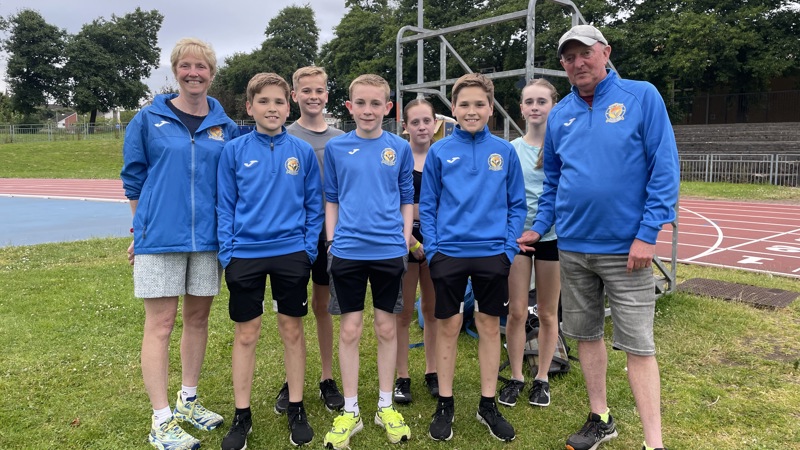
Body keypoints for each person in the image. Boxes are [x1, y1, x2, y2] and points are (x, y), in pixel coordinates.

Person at [519, 25, 678, 450]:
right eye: (569, 58)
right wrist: (540, 224)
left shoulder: (641, 96)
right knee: (586, 336)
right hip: (573, 248)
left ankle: (653, 443)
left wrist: (647, 235)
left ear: (605, 52)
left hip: (628, 251)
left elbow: (664, 168)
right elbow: (553, 181)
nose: (577, 63)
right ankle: (601, 417)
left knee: (638, 346)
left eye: (585, 54)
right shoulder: (561, 114)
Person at [120, 37, 239, 450]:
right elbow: (134, 178)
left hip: (207, 240)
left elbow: (233, 182)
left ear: (211, 73)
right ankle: (160, 419)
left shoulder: (227, 126)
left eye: (202, 66)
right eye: (186, 65)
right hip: (160, 238)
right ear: (175, 71)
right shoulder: (148, 118)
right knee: (160, 325)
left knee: (199, 320)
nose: (194, 72)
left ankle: (188, 400)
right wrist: (142, 229)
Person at [216, 72, 323, 449]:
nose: (272, 108)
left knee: (292, 331)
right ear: (250, 107)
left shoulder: (303, 152)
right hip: (244, 255)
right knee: (246, 334)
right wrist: (228, 253)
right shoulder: (233, 151)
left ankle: (296, 406)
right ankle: (241, 415)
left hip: (292, 254)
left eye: (279, 101)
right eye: (264, 101)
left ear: (288, 105)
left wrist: (308, 250)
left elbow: (314, 206)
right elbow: (225, 205)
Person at [420, 73, 526, 443]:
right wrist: (433, 250)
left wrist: (508, 248)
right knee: (448, 327)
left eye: (479, 104)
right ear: (453, 109)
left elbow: (517, 204)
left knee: (486, 326)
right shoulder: (439, 151)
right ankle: (445, 403)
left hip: (492, 255)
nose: (472, 111)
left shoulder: (505, 151)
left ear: (490, 108)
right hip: (448, 254)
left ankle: (487, 402)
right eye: (464, 104)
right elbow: (428, 206)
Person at [322, 74, 414, 450]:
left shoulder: (400, 148)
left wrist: (404, 238)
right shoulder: (336, 148)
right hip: (347, 252)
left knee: (387, 328)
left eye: (376, 104)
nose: (368, 110)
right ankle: (350, 409)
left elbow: (406, 195)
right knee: (350, 329)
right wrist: (332, 241)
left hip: (389, 251)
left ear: (388, 108)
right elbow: (332, 198)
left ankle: (385, 405)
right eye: (361, 103)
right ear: (349, 107)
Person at [269, 66, 345, 415]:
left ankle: (327, 378)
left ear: (327, 95)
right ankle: (293, 378)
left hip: (333, 237)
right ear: (295, 96)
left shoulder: (342, 139)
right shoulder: (285, 137)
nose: (314, 96)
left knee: (324, 308)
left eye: (320, 90)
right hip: (296, 238)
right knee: (292, 315)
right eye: (306, 91)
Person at [499, 78, 561, 409]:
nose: (535, 107)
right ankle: (517, 377)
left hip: (552, 240)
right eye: (529, 102)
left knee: (549, 313)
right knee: (517, 312)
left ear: (553, 105)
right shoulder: (511, 149)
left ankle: (542, 378)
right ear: (521, 108)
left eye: (542, 101)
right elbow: (502, 197)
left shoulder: (560, 147)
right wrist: (510, 235)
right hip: (519, 239)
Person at [394, 98, 439, 405]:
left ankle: (433, 371)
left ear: (435, 123)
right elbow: (390, 199)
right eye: (415, 122)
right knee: (404, 311)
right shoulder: (398, 156)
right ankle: (402, 375)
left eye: (427, 121)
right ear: (405, 126)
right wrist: (410, 238)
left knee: (433, 311)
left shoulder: (444, 155)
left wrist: (432, 240)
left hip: (437, 238)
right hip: (404, 237)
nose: (422, 127)